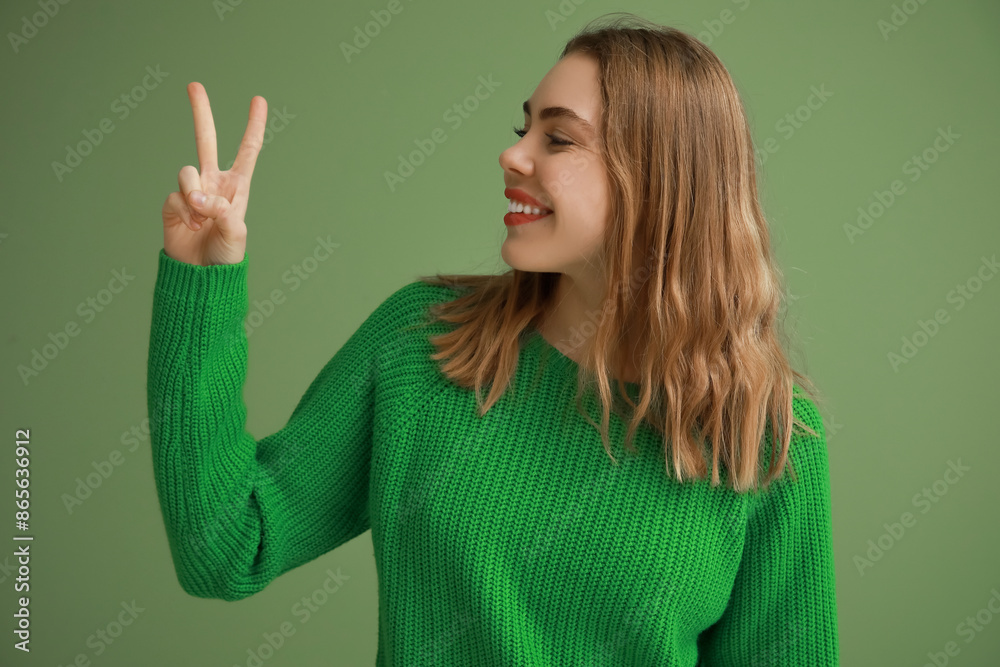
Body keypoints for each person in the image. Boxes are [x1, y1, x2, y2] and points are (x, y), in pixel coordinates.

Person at [148, 12, 839, 665]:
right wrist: (201, 278)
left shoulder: (769, 439)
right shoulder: (422, 342)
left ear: (661, 180)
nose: (513, 154)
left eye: (558, 138)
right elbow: (226, 547)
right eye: (524, 128)